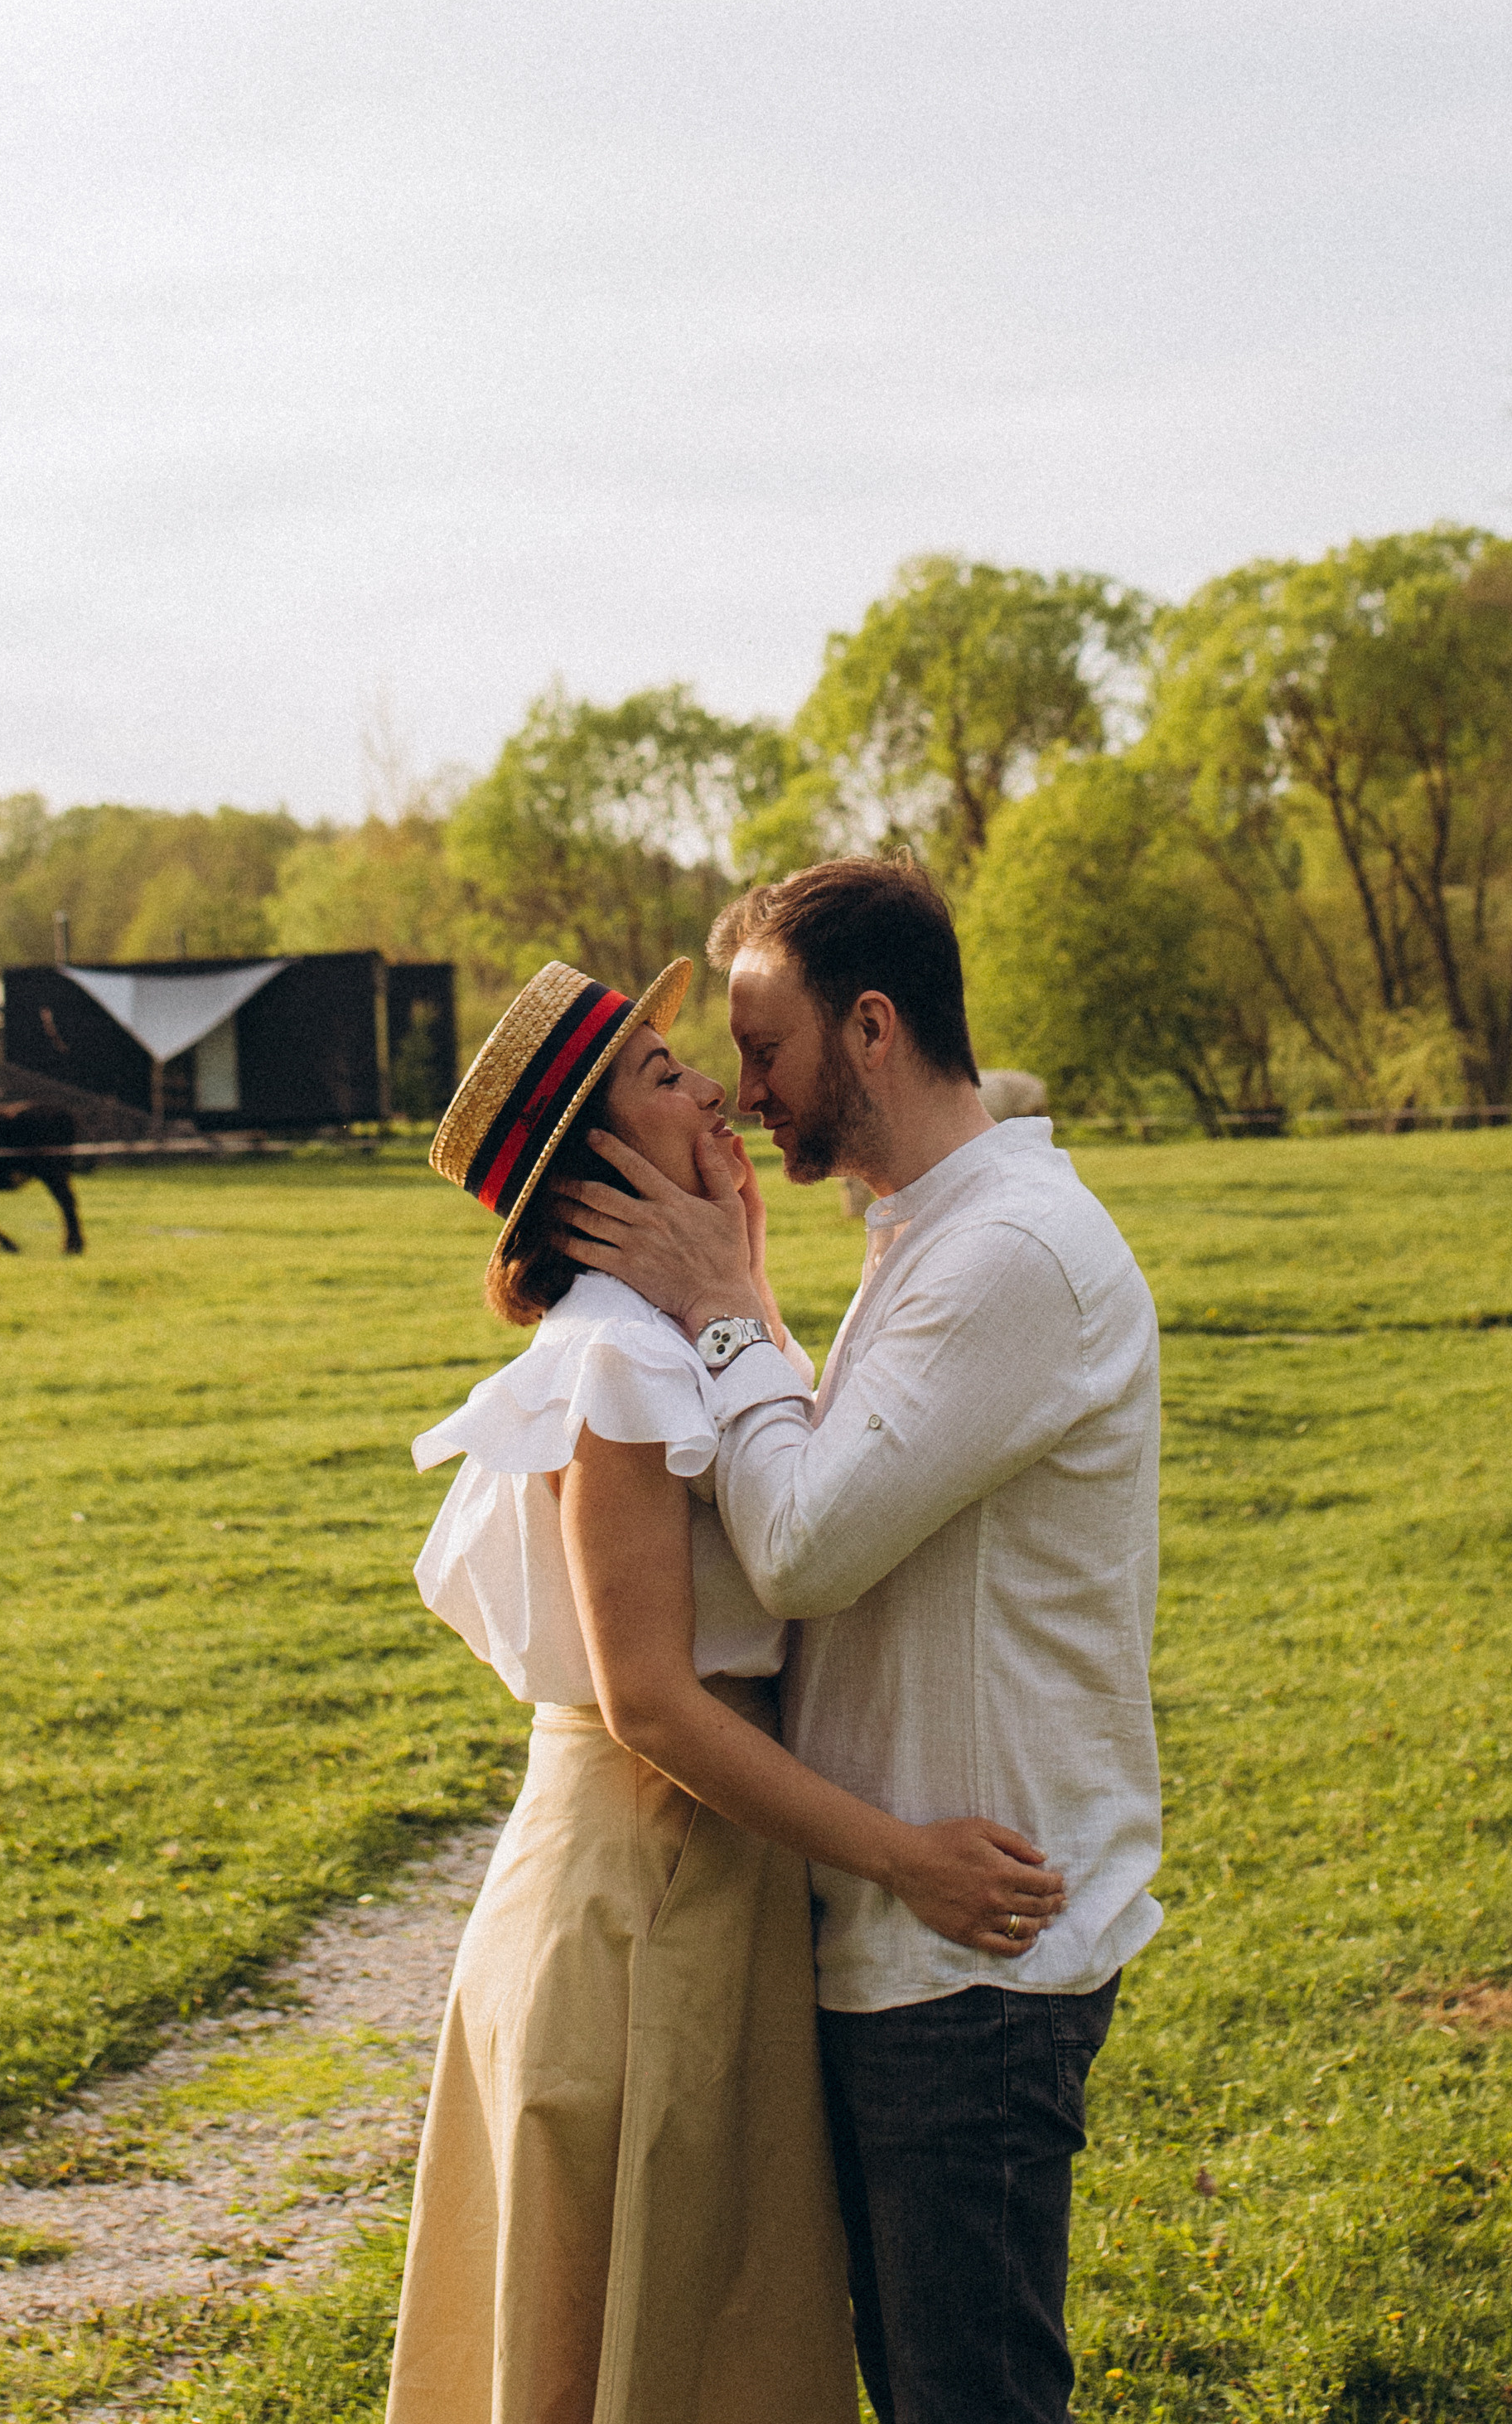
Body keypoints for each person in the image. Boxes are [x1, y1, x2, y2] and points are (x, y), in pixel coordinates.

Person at [387, 952, 1065, 2424]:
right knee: (649, 2339)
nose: (709, 1082)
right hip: (645, 1892)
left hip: (702, 1882)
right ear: (603, 1158)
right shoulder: (614, 1361)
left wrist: (740, 1275)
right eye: (659, 1069)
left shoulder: (674, 1332)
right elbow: (648, 1699)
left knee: (708, 2329)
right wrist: (904, 1857)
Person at [553, 858, 1164, 2424]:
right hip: (912, 1920)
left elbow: (809, 1540)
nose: (743, 1094)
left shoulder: (1008, 1252)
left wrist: (724, 1310)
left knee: (969, 2398)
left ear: (872, 1027)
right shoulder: (926, 1230)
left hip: (973, 1934)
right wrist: (739, 1290)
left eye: (763, 1048)